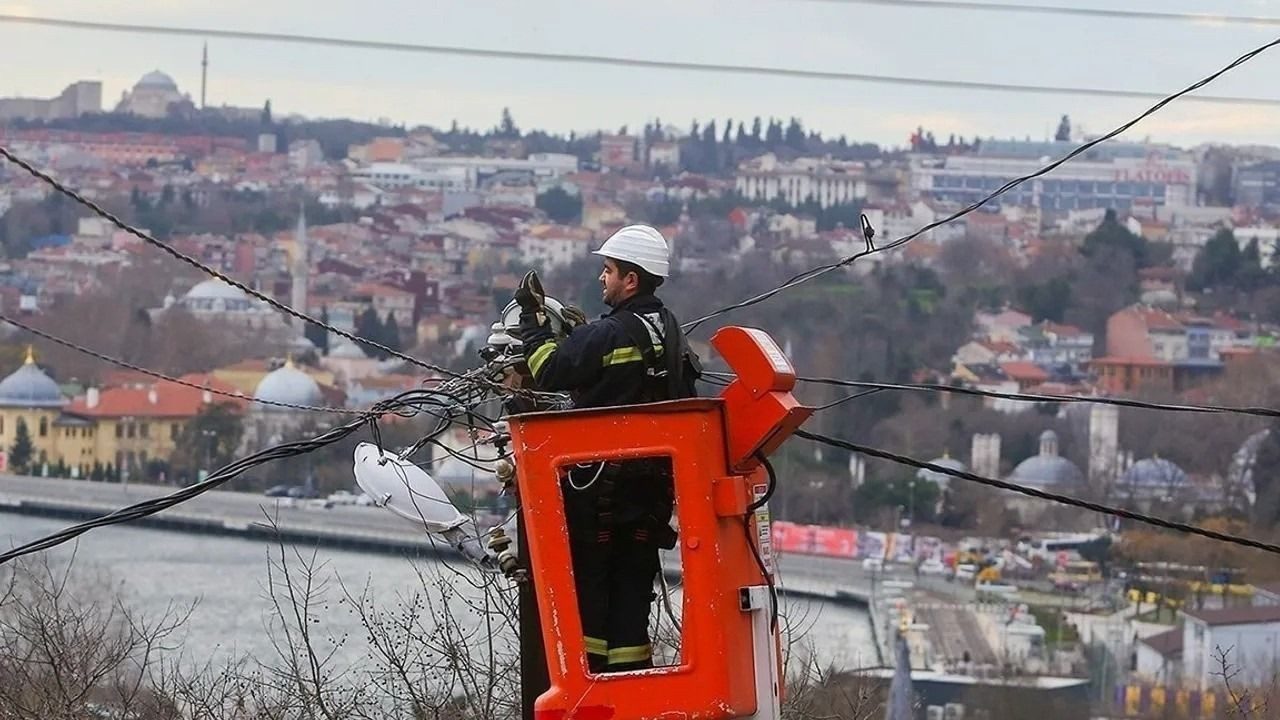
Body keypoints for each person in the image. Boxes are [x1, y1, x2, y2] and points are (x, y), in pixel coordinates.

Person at [513, 224, 697, 673]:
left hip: (599, 492)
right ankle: (630, 687)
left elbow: (550, 369)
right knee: (632, 599)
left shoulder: (611, 333)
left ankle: (590, 690)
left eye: (609, 270)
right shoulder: (672, 332)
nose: (602, 278)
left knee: (588, 596)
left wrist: (533, 322)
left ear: (630, 280)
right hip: (652, 494)